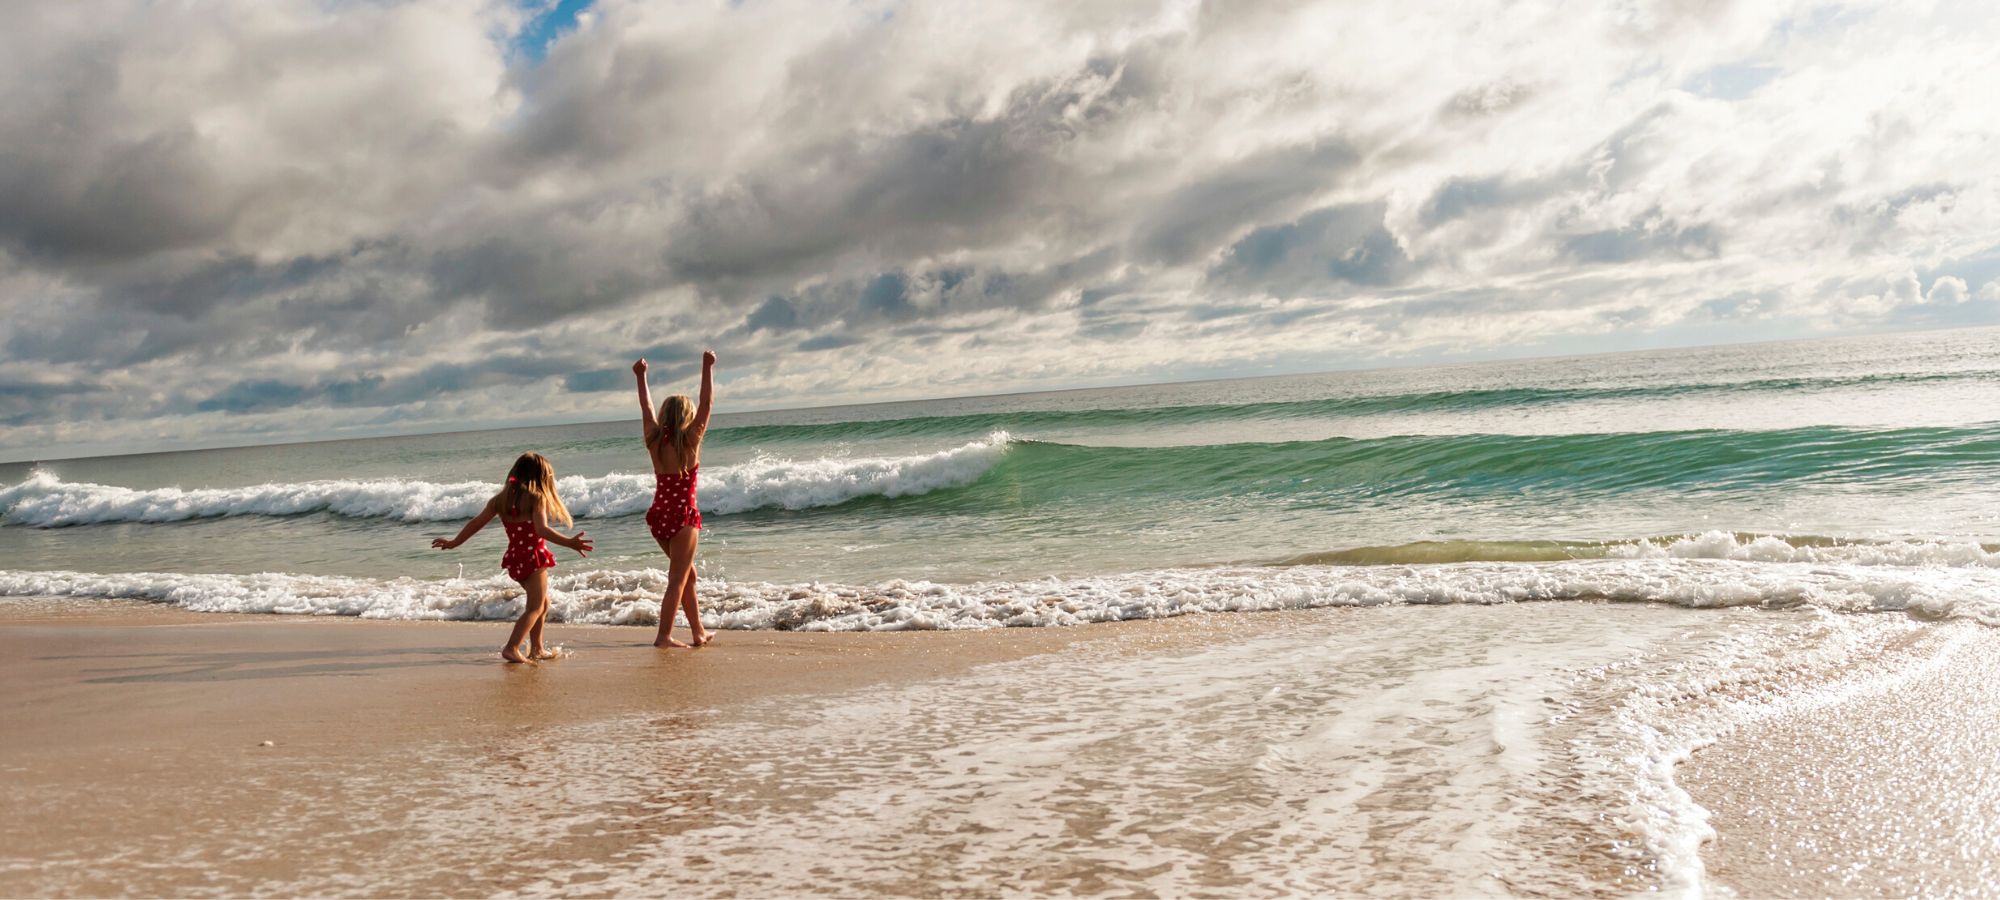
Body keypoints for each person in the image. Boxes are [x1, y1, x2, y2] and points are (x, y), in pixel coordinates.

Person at [431, 452, 593, 663]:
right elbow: (541, 530)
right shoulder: (537, 498)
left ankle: (537, 648)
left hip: (516, 559)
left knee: (543, 603)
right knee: (535, 607)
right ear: (541, 477)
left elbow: (476, 523)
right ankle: (512, 647)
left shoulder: (500, 500)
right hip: (534, 559)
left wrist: (455, 542)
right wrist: (570, 542)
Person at [633, 350, 716, 648]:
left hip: (659, 516)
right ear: (688, 417)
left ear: (665, 415)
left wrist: (641, 377)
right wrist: (707, 367)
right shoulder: (691, 440)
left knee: (687, 575)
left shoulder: (654, 440)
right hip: (683, 517)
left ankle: (698, 632)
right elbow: (707, 403)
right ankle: (664, 636)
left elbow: (646, 407)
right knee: (678, 579)